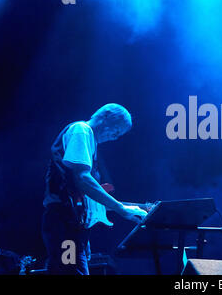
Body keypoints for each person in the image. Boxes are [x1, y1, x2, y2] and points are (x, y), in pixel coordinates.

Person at [42, 103, 148, 275]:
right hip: (63, 222)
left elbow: (83, 194)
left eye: (119, 135)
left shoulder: (89, 141)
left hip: (72, 227)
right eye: (116, 130)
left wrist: (83, 234)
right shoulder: (81, 130)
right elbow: (82, 178)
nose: (115, 137)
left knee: (68, 271)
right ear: (106, 116)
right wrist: (120, 208)